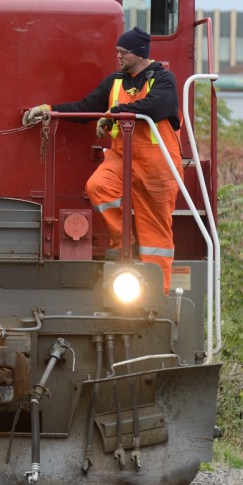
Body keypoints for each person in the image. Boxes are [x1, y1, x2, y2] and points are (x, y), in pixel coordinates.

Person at [22, 27, 181, 291]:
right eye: (117, 52)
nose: (118, 56)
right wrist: (50, 110)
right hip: (121, 158)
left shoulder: (164, 80)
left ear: (139, 53)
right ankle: (121, 243)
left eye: (123, 52)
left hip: (158, 167)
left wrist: (114, 113)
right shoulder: (115, 81)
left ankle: (159, 295)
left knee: (156, 236)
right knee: (98, 187)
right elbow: (86, 107)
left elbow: (157, 107)